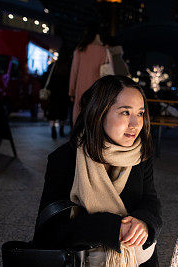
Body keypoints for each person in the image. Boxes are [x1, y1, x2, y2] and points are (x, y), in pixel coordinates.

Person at [34, 75, 162, 266]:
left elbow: (150, 200)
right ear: (100, 112)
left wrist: (144, 222)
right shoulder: (66, 159)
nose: (135, 124)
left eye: (140, 113)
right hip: (83, 260)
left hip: (138, 260)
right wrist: (111, 229)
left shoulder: (140, 155)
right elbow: (50, 230)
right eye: (125, 113)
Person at [69, 25, 112, 126]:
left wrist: (71, 91)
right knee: (94, 118)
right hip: (98, 90)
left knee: (80, 119)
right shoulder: (104, 51)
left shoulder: (79, 50)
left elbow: (74, 71)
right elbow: (109, 72)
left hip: (81, 90)